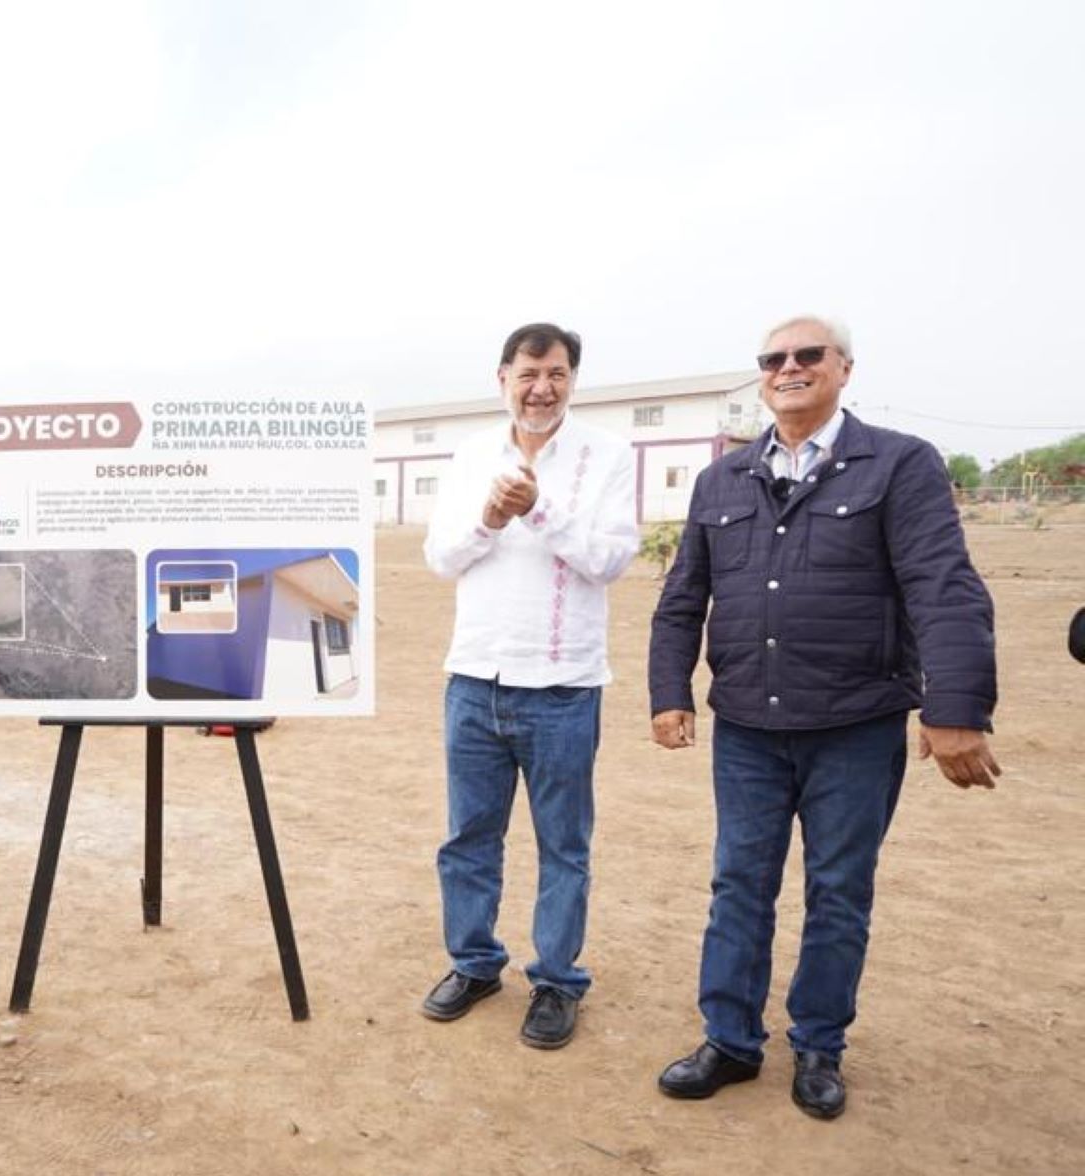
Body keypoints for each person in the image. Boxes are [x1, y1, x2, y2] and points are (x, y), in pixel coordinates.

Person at [649, 315, 999, 1120]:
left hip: (856, 725)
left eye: (810, 355)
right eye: (774, 359)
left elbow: (943, 584)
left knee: (839, 889)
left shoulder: (899, 465)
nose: (790, 367)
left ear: (844, 368)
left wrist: (956, 706)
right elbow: (680, 602)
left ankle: (818, 1045)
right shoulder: (723, 480)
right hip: (746, 729)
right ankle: (730, 1040)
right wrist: (669, 692)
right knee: (739, 883)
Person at [419, 323, 639, 1048]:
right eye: (528, 373)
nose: (541, 386)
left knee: (563, 844)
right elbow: (442, 556)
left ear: (573, 378)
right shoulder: (472, 454)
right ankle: (476, 962)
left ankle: (555, 981)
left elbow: (609, 559)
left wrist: (538, 507)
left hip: (564, 685)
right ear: (503, 378)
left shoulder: (606, 455)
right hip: (476, 676)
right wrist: (489, 515)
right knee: (468, 837)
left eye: (556, 372)